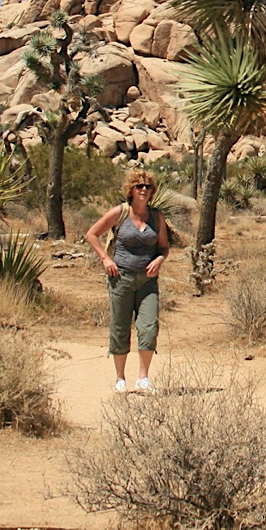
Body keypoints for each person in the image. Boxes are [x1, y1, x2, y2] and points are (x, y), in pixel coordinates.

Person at [84, 168, 171, 394]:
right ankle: (120, 378)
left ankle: (143, 378)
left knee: (149, 327)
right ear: (130, 190)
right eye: (138, 186)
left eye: (147, 186)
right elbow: (91, 234)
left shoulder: (157, 216)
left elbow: (163, 246)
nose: (143, 190)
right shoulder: (120, 213)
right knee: (120, 327)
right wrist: (106, 259)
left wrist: (160, 259)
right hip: (121, 278)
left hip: (148, 281)